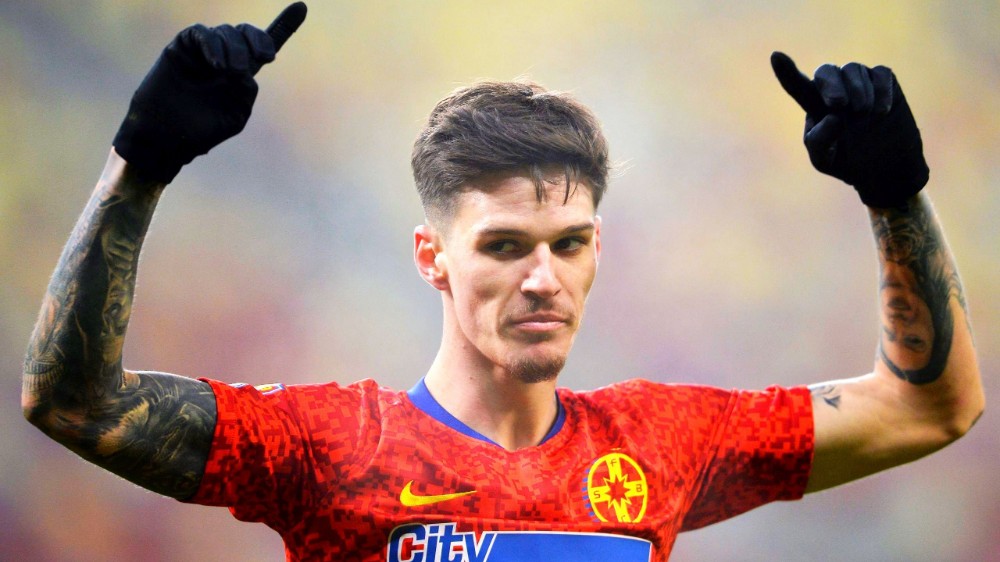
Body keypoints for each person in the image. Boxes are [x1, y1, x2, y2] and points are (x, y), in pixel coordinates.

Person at [21, 3, 984, 561]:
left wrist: (895, 193)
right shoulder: (327, 446)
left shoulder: (664, 441)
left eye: (569, 244)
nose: (541, 279)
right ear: (431, 257)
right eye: (504, 245)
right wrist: (141, 164)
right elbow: (73, 404)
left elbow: (931, 407)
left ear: (599, 250)